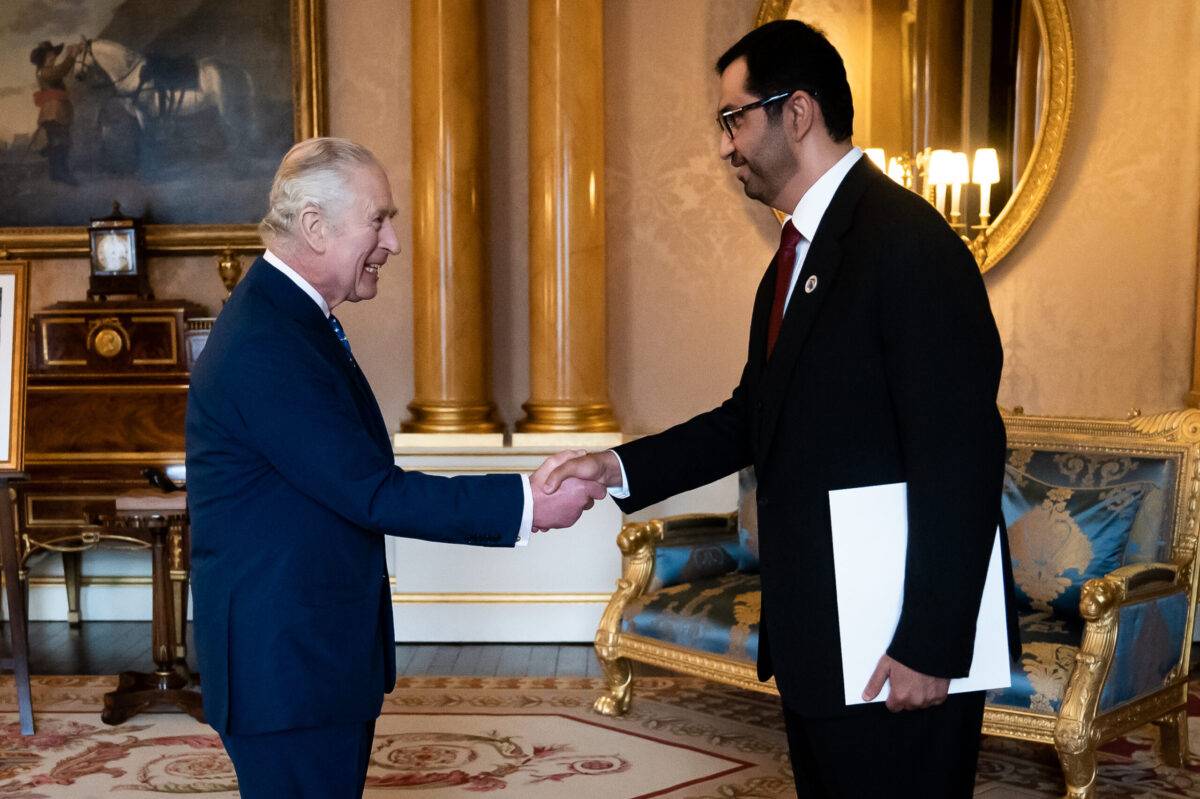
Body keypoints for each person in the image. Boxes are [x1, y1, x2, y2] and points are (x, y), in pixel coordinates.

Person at [543, 20, 1018, 798]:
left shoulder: (909, 244)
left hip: (898, 647)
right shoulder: (798, 256)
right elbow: (749, 417)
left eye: (734, 118)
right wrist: (615, 465)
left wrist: (933, 644)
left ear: (796, 113)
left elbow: (959, 456)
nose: (725, 145)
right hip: (826, 640)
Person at [185, 137, 606, 798]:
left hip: (306, 658)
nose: (393, 242)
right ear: (317, 227)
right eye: (379, 219)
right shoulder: (266, 340)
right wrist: (527, 501)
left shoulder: (289, 318)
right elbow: (371, 491)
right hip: (286, 671)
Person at [30, 40, 81, 185]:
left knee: (57, 142)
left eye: (53, 55)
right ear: (44, 57)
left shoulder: (47, 70)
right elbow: (61, 71)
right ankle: (62, 173)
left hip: (57, 111)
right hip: (54, 112)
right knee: (62, 142)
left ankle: (55, 173)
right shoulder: (44, 72)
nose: (53, 57)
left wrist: (69, 55)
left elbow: (61, 71)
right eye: (51, 55)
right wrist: (72, 56)